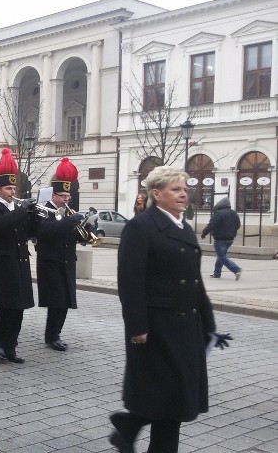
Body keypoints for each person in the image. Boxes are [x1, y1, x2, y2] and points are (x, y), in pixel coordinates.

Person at [111, 165, 231, 453]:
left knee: (174, 400)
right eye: (176, 189)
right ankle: (129, 428)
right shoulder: (141, 226)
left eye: (185, 190)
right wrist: (137, 326)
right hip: (156, 325)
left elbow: (194, 280)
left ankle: (128, 428)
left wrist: (208, 324)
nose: (183, 194)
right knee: (164, 395)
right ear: (157, 193)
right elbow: (130, 281)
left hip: (186, 326)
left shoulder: (184, 227)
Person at [0, 148, 40, 364]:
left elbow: (30, 232)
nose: (12, 191)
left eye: (13, 187)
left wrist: (34, 216)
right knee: (8, 307)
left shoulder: (17, 209)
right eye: (8, 188)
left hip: (20, 263)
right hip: (3, 265)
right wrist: (22, 211)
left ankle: (11, 346)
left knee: (19, 309)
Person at [36, 158, 88, 352]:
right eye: (63, 196)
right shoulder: (44, 210)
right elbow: (45, 232)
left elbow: (70, 235)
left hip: (67, 260)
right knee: (56, 300)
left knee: (65, 300)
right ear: (54, 195)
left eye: (68, 195)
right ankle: (51, 336)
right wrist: (69, 222)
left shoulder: (67, 212)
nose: (66, 199)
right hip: (50, 262)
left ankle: (56, 332)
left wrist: (85, 231)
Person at [201, 197, 242, 280]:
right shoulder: (234, 213)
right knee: (221, 256)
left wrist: (204, 233)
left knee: (222, 256)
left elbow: (211, 225)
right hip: (230, 239)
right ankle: (217, 273)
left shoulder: (219, 213)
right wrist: (232, 231)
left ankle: (236, 269)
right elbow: (238, 225)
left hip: (220, 239)